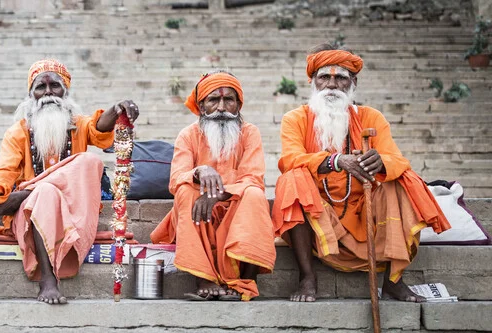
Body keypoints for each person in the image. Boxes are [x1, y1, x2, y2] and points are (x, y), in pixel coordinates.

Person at [274, 44, 451, 302]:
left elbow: (398, 160)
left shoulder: (372, 118)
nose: (331, 85)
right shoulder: (296, 118)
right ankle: (307, 278)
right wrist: (335, 161)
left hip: (363, 212)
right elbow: (290, 159)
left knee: (401, 181)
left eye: (340, 78)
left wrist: (380, 163)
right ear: (313, 82)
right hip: (317, 213)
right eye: (324, 77)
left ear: (352, 82)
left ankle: (394, 280)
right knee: (292, 178)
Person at [0, 59, 139, 304]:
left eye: (54, 86)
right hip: (32, 213)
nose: (47, 93)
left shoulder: (78, 124)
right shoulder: (18, 132)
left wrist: (116, 110)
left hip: (72, 209)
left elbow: (100, 128)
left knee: (90, 161)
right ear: (30, 94)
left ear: (65, 91)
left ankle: (28, 192)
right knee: (44, 192)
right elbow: (4, 171)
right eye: (40, 87)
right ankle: (47, 280)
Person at [149, 71, 275, 301]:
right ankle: (203, 278)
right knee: (186, 190)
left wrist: (219, 194)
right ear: (201, 106)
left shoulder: (250, 133)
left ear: (238, 105)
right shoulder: (188, 135)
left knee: (255, 195)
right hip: (200, 211)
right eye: (213, 100)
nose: (221, 107)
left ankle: (246, 281)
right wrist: (198, 172)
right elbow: (176, 180)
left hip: (235, 208)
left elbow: (253, 178)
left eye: (229, 100)